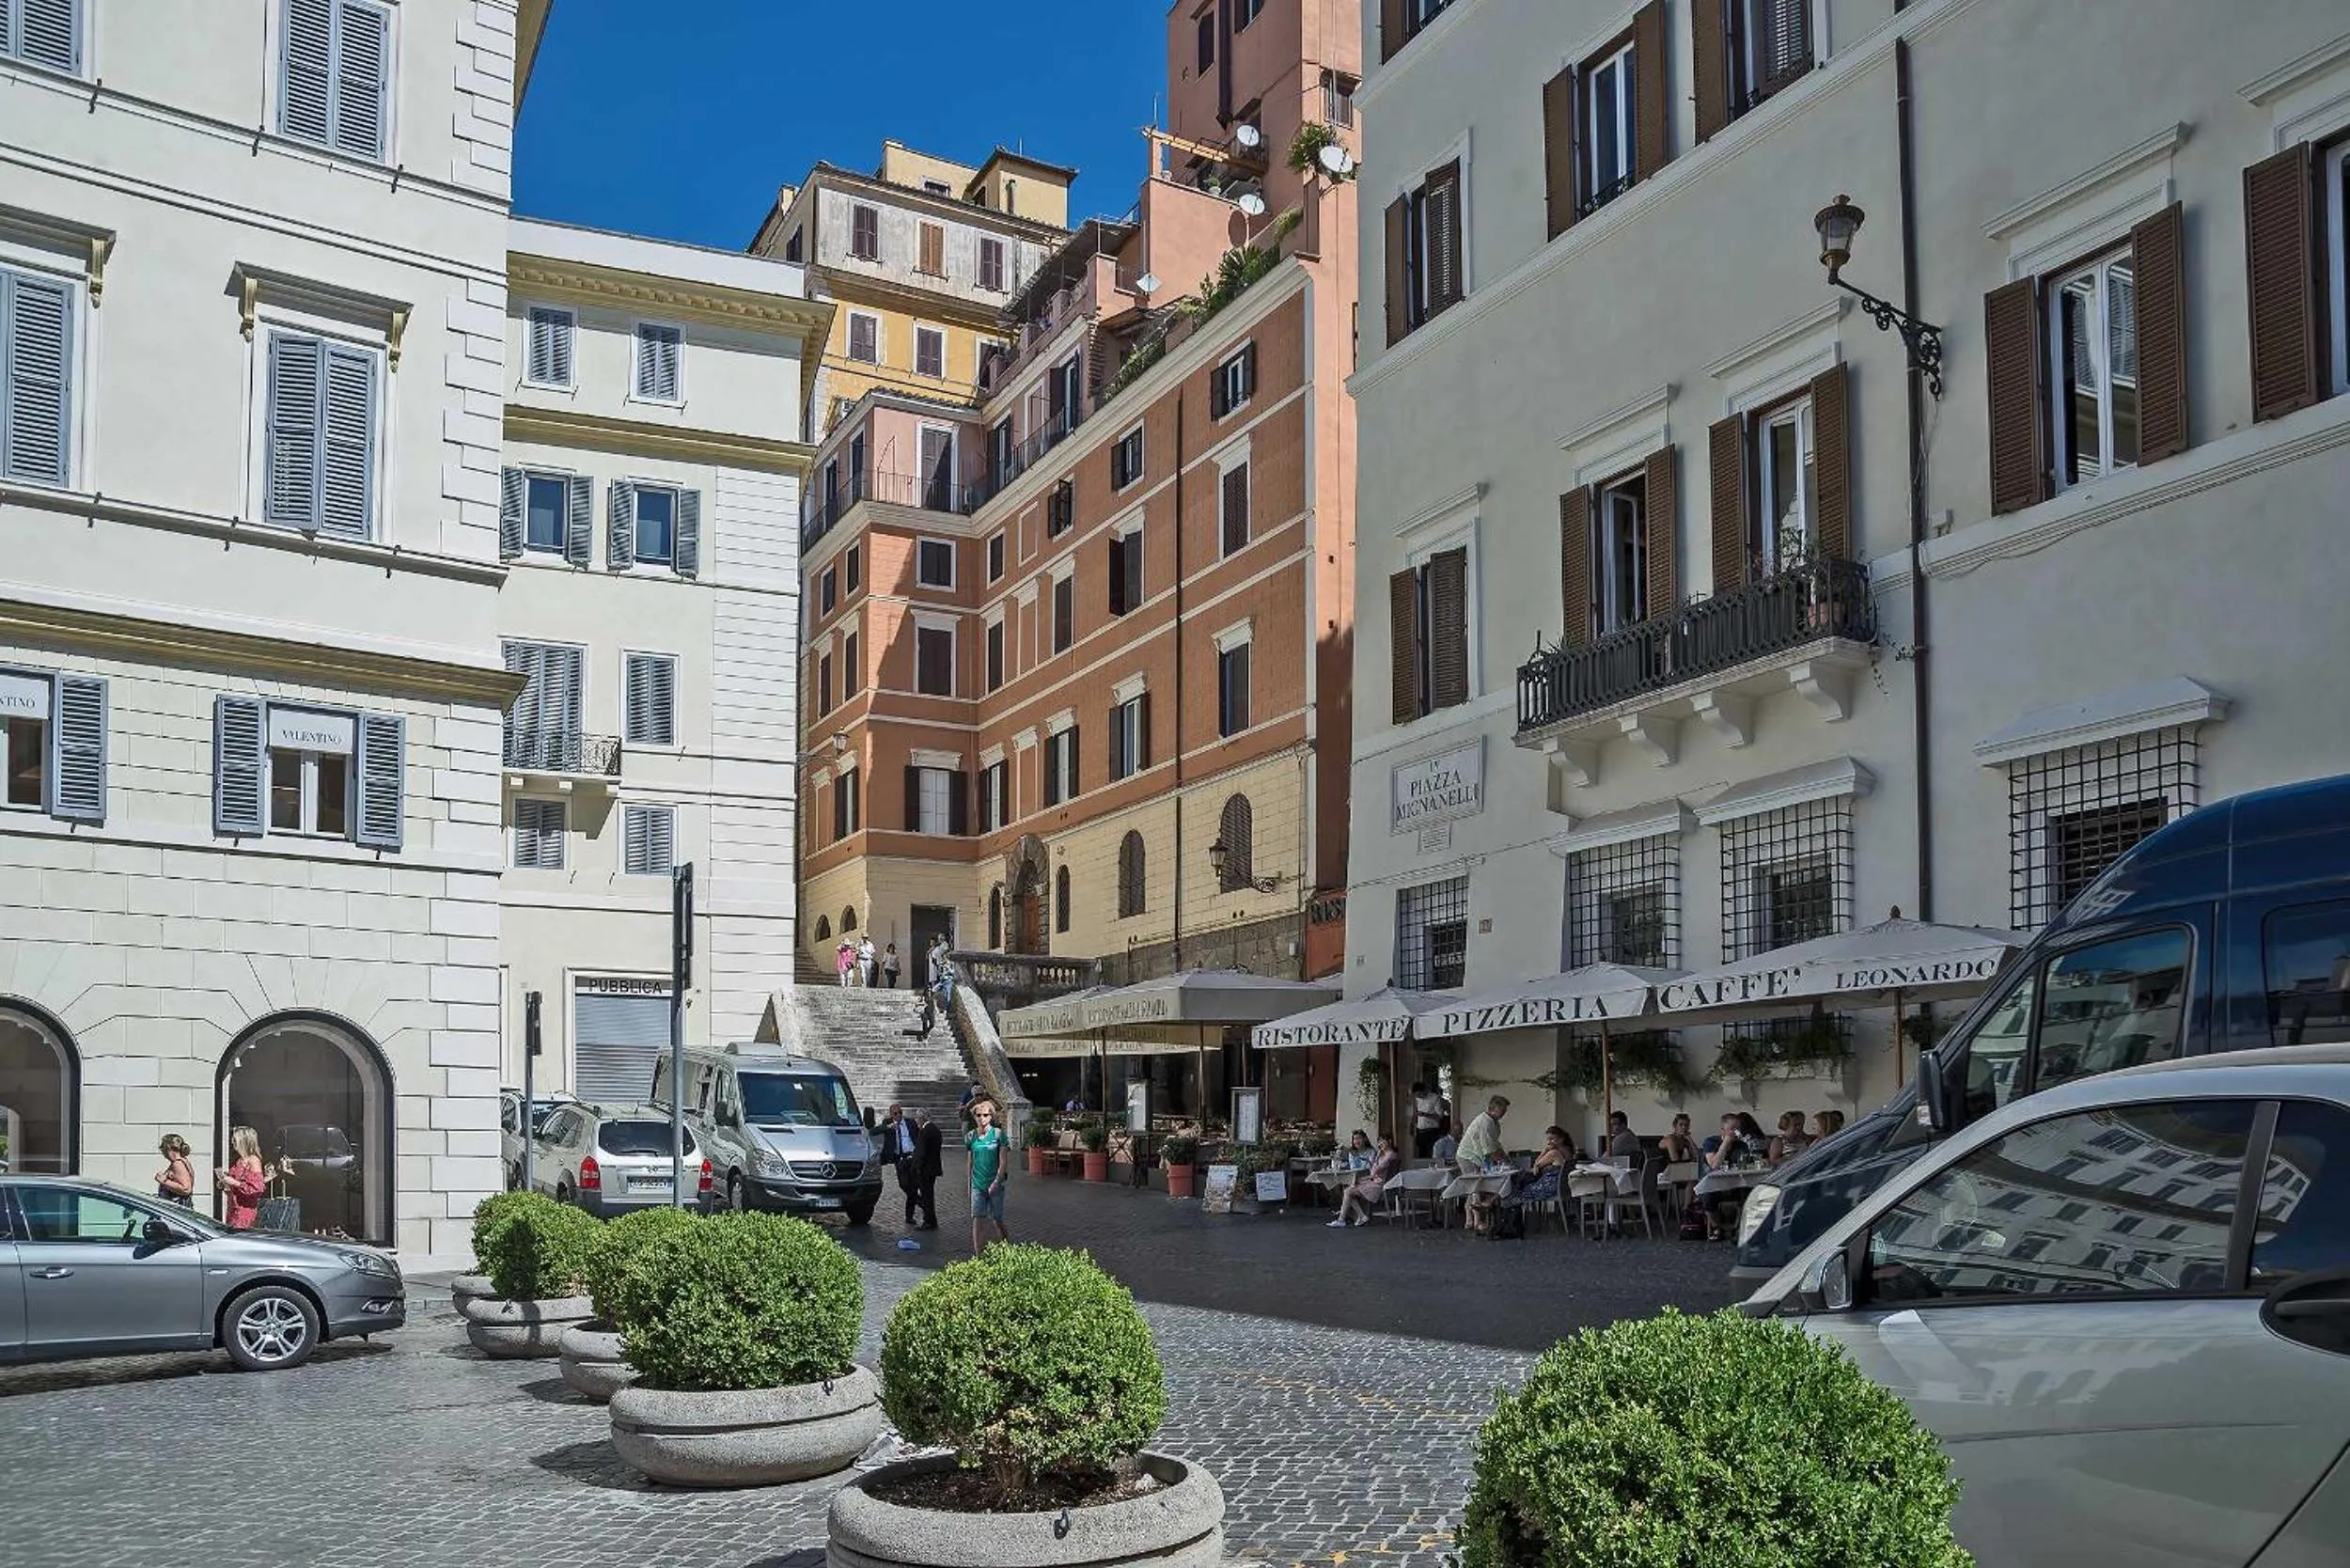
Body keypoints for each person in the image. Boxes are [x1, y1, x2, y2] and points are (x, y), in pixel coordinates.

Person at [965, 1096, 1010, 1254]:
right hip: (978, 1184)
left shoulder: (998, 1135)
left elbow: (1003, 1162)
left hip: (995, 1184)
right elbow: (970, 1163)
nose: (982, 1119)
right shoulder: (971, 1137)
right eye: (979, 1115)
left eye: (985, 1115)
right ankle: (979, 1256)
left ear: (991, 1116)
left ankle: (1006, 1248)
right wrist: (970, 1186)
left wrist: (996, 1182)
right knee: (977, 1219)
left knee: (996, 1219)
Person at [1329, 1136, 1402, 1228]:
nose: (1381, 1144)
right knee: (1349, 1187)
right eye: (1379, 1142)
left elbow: (1375, 1170)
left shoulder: (1390, 1155)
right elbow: (1374, 1170)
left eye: (1383, 1142)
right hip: (1377, 1181)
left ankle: (1346, 1219)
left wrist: (1374, 1160)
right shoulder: (1384, 1154)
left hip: (1379, 1185)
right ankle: (1358, 1216)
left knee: (1348, 1191)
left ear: (1389, 1141)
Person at [215, 1125, 271, 1230]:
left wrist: (235, 1183)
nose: (232, 1142)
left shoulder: (253, 1160)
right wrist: (225, 1183)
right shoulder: (240, 1159)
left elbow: (257, 1188)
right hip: (234, 1207)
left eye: (235, 1140)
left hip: (244, 1211)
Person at [881, 1104, 918, 1223]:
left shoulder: (910, 1122)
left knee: (913, 1185)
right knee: (904, 1185)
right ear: (891, 1115)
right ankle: (922, 1202)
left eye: (900, 1113)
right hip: (899, 1158)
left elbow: (918, 1136)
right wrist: (888, 1127)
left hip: (912, 1156)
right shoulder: (887, 1123)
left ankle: (909, 1216)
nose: (899, 1116)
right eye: (896, 1114)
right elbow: (873, 1132)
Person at [1456, 1095, 1508, 1174]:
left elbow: (1495, 1144)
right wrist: (1504, 1162)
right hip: (1468, 1157)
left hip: (1476, 1155)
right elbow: (1489, 1150)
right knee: (1474, 1184)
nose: (1504, 1112)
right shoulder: (1485, 1123)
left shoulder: (1494, 1122)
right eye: (1502, 1110)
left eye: (1505, 1109)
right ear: (1493, 1108)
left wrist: (1504, 1156)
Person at [911, 1108, 943, 1230]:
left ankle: (928, 1221)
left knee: (926, 1196)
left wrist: (916, 1167)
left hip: (925, 1169)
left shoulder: (925, 1131)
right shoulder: (935, 1129)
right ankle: (931, 1220)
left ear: (922, 1118)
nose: (916, 1121)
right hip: (933, 1167)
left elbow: (921, 1152)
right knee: (929, 1195)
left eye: (917, 1118)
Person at [155, 1134, 196, 1207]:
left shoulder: (178, 1164)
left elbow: (186, 1189)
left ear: (168, 1148)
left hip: (178, 1208)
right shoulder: (182, 1161)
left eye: (162, 1147)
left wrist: (164, 1181)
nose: (162, 1150)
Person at [1410, 1081, 1445, 1159]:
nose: (1418, 1096)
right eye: (1416, 1095)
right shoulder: (1417, 1100)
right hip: (1420, 1131)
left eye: (1419, 1094)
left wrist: (1425, 1114)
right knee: (1420, 1155)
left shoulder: (1434, 1098)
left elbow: (1440, 1116)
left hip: (1431, 1131)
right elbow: (1415, 1113)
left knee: (1431, 1155)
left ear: (1423, 1091)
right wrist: (1412, 1125)